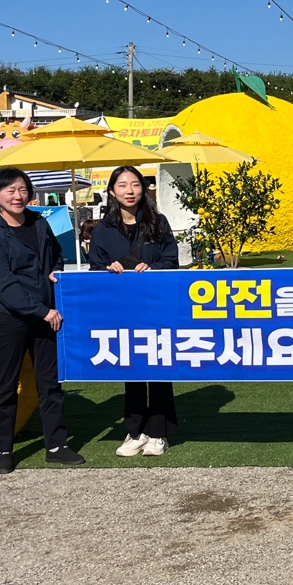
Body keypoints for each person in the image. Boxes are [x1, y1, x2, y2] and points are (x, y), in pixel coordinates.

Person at [0, 166, 83, 474]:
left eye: (22, 189)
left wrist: (54, 271)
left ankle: (56, 445)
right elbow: (3, 284)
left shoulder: (38, 222)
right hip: (8, 318)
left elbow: (56, 254)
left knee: (50, 382)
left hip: (45, 314)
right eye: (10, 190)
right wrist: (42, 310)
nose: (18, 196)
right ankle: (4, 449)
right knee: (5, 384)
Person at [88, 166, 180, 457]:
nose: (130, 190)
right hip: (123, 311)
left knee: (159, 368)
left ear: (144, 189)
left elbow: (171, 260)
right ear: (112, 191)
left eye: (135, 184)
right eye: (123, 185)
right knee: (132, 369)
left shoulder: (158, 223)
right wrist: (108, 269)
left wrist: (154, 268)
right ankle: (135, 431)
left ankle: (159, 433)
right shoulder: (103, 230)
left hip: (157, 307)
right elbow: (95, 269)